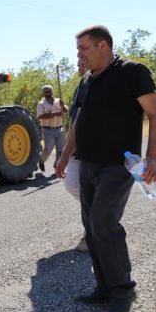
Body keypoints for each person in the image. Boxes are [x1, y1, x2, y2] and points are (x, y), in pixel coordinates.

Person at [56, 25, 156, 312]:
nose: (78, 54)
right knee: (91, 225)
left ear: (103, 45)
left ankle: (123, 290)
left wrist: (152, 156)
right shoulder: (88, 80)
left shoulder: (132, 71)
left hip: (118, 164)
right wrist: (65, 156)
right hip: (88, 162)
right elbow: (79, 121)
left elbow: (155, 113)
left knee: (104, 220)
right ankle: (104, 286)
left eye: (83, 48)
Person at [63, 59, 90, 253]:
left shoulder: (97, 83)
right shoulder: (81, 86)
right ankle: (100, 214)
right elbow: (75, 120)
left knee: (91, 191)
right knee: (71, 184)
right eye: (78, 63)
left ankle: (92, 233)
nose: (80, 65)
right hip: (75, 147)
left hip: (92, 148)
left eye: (83, 62)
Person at [36, 85, 68, 172]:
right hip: (47, 130)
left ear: (52, 91)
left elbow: (65, 111)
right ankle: (41, 160)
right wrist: (54, 114)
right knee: (48, 149)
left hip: (60, 129)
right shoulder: (41, 103)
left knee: (60, 150)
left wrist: (63, 106)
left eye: (49, 91)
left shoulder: (58, 101)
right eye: (45, 92)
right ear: (42, 93)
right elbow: (40, 116)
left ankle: (56, 166)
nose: (47, 93)